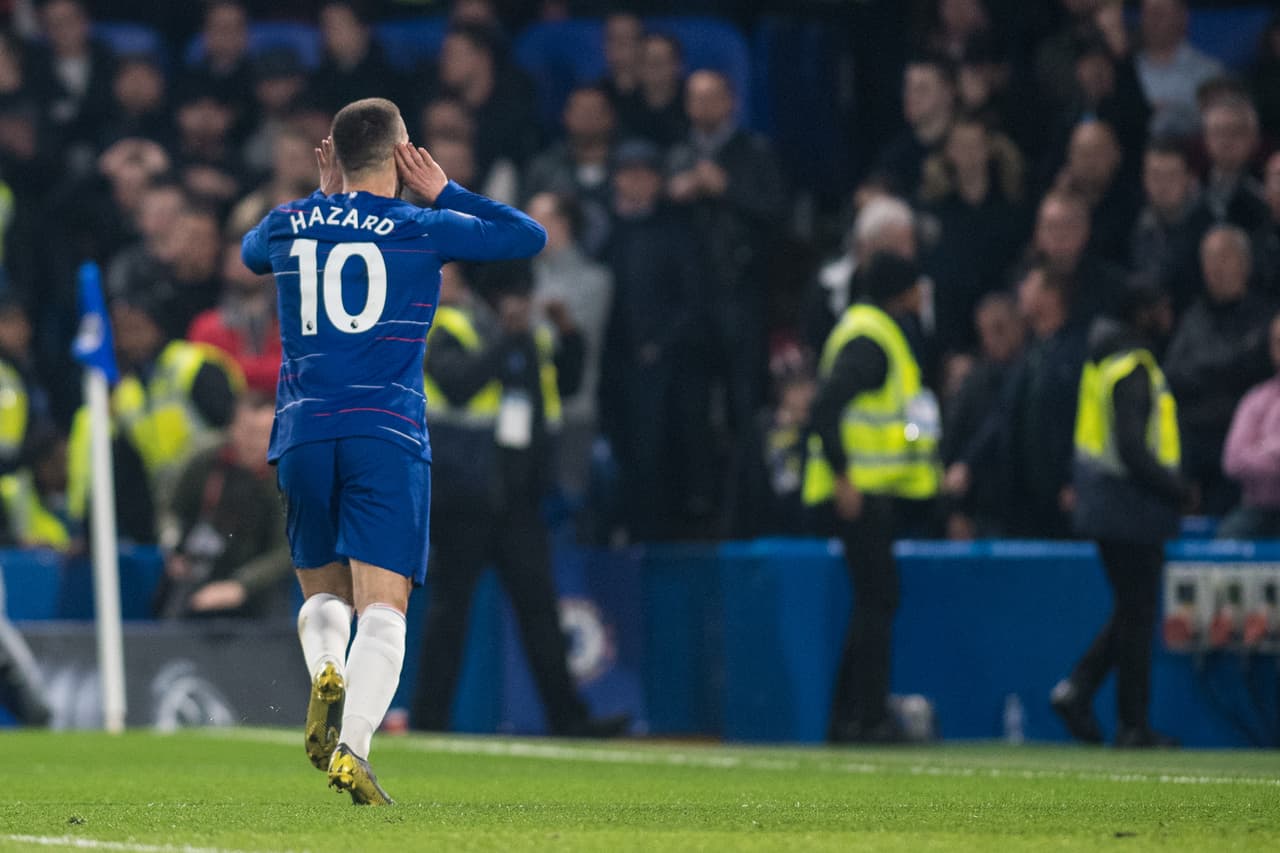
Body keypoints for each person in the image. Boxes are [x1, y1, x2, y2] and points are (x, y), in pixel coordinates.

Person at [240, 97, 545, 805]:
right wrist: (447, 191)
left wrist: (324, 200)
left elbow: (251, 251)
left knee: (322, 589)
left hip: (304, 432)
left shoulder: (289, 225)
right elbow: (525, 237)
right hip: (385, 434)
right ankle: (355, 746)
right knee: (384, 604)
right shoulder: (421, 225)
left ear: (337, 155)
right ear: (404, 154)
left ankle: (325, 666)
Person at [411, 264, 627, 737]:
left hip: (519, 500)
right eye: (515, 294)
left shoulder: (534, 335)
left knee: (541, 613)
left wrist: (569, 334)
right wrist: (505, 340)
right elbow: (458, 385)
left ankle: (568, 718)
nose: (523, 304)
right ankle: (429, 720)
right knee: (451, 614)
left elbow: (566, 385)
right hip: (464, 498)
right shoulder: (449, 326)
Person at [803, 251, 941, 743]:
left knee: (873, 599)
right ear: (901, 292)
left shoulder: (868, 330)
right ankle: (867, 718)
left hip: (867, 490)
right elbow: (824, 408)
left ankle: (848, 719)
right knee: (879, 598)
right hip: (858, 492)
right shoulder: (872, 339)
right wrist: (844, 476)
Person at [1053, 289, 1190, 749]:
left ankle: (1080, 690)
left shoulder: (1104, 363)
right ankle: (1130, 722)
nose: (1169, 317)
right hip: (1129, 507)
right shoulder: (1132, 368)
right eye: (1163, 308)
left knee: (1133, 609)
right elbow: (1132, 447)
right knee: (1138, 611)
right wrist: (1177, 490)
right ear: (1145, 312)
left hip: (1105, 503)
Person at [1163, 226, 1275, 515]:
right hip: (1194, 447)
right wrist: (1221, 370)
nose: (1216, 267)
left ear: (1245, 264)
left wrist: (1207, 369)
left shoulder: (1264, 318)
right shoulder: (1193, 317)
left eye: (1225, 257)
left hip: (1246, 454)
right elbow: (1174, 374)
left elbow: (1251, 371)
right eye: (1210, 259)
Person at [154, 392, 292, 620]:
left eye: (264, 435)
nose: (254, 443)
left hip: (259, 585)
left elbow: (286, 549)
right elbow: (169, 509)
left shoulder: (287, 477)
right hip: (198, 569)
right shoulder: (204, 459)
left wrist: (241, 585)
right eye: (248, 432)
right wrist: (172, 546)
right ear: (232, 428)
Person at [1219, 312, 1280, 539]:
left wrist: (1263, 448)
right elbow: (1233, 461)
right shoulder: (1255, 399)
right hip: (1257, 511)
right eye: (1277, 342)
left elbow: (1248, 457)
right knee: (1226, 540)